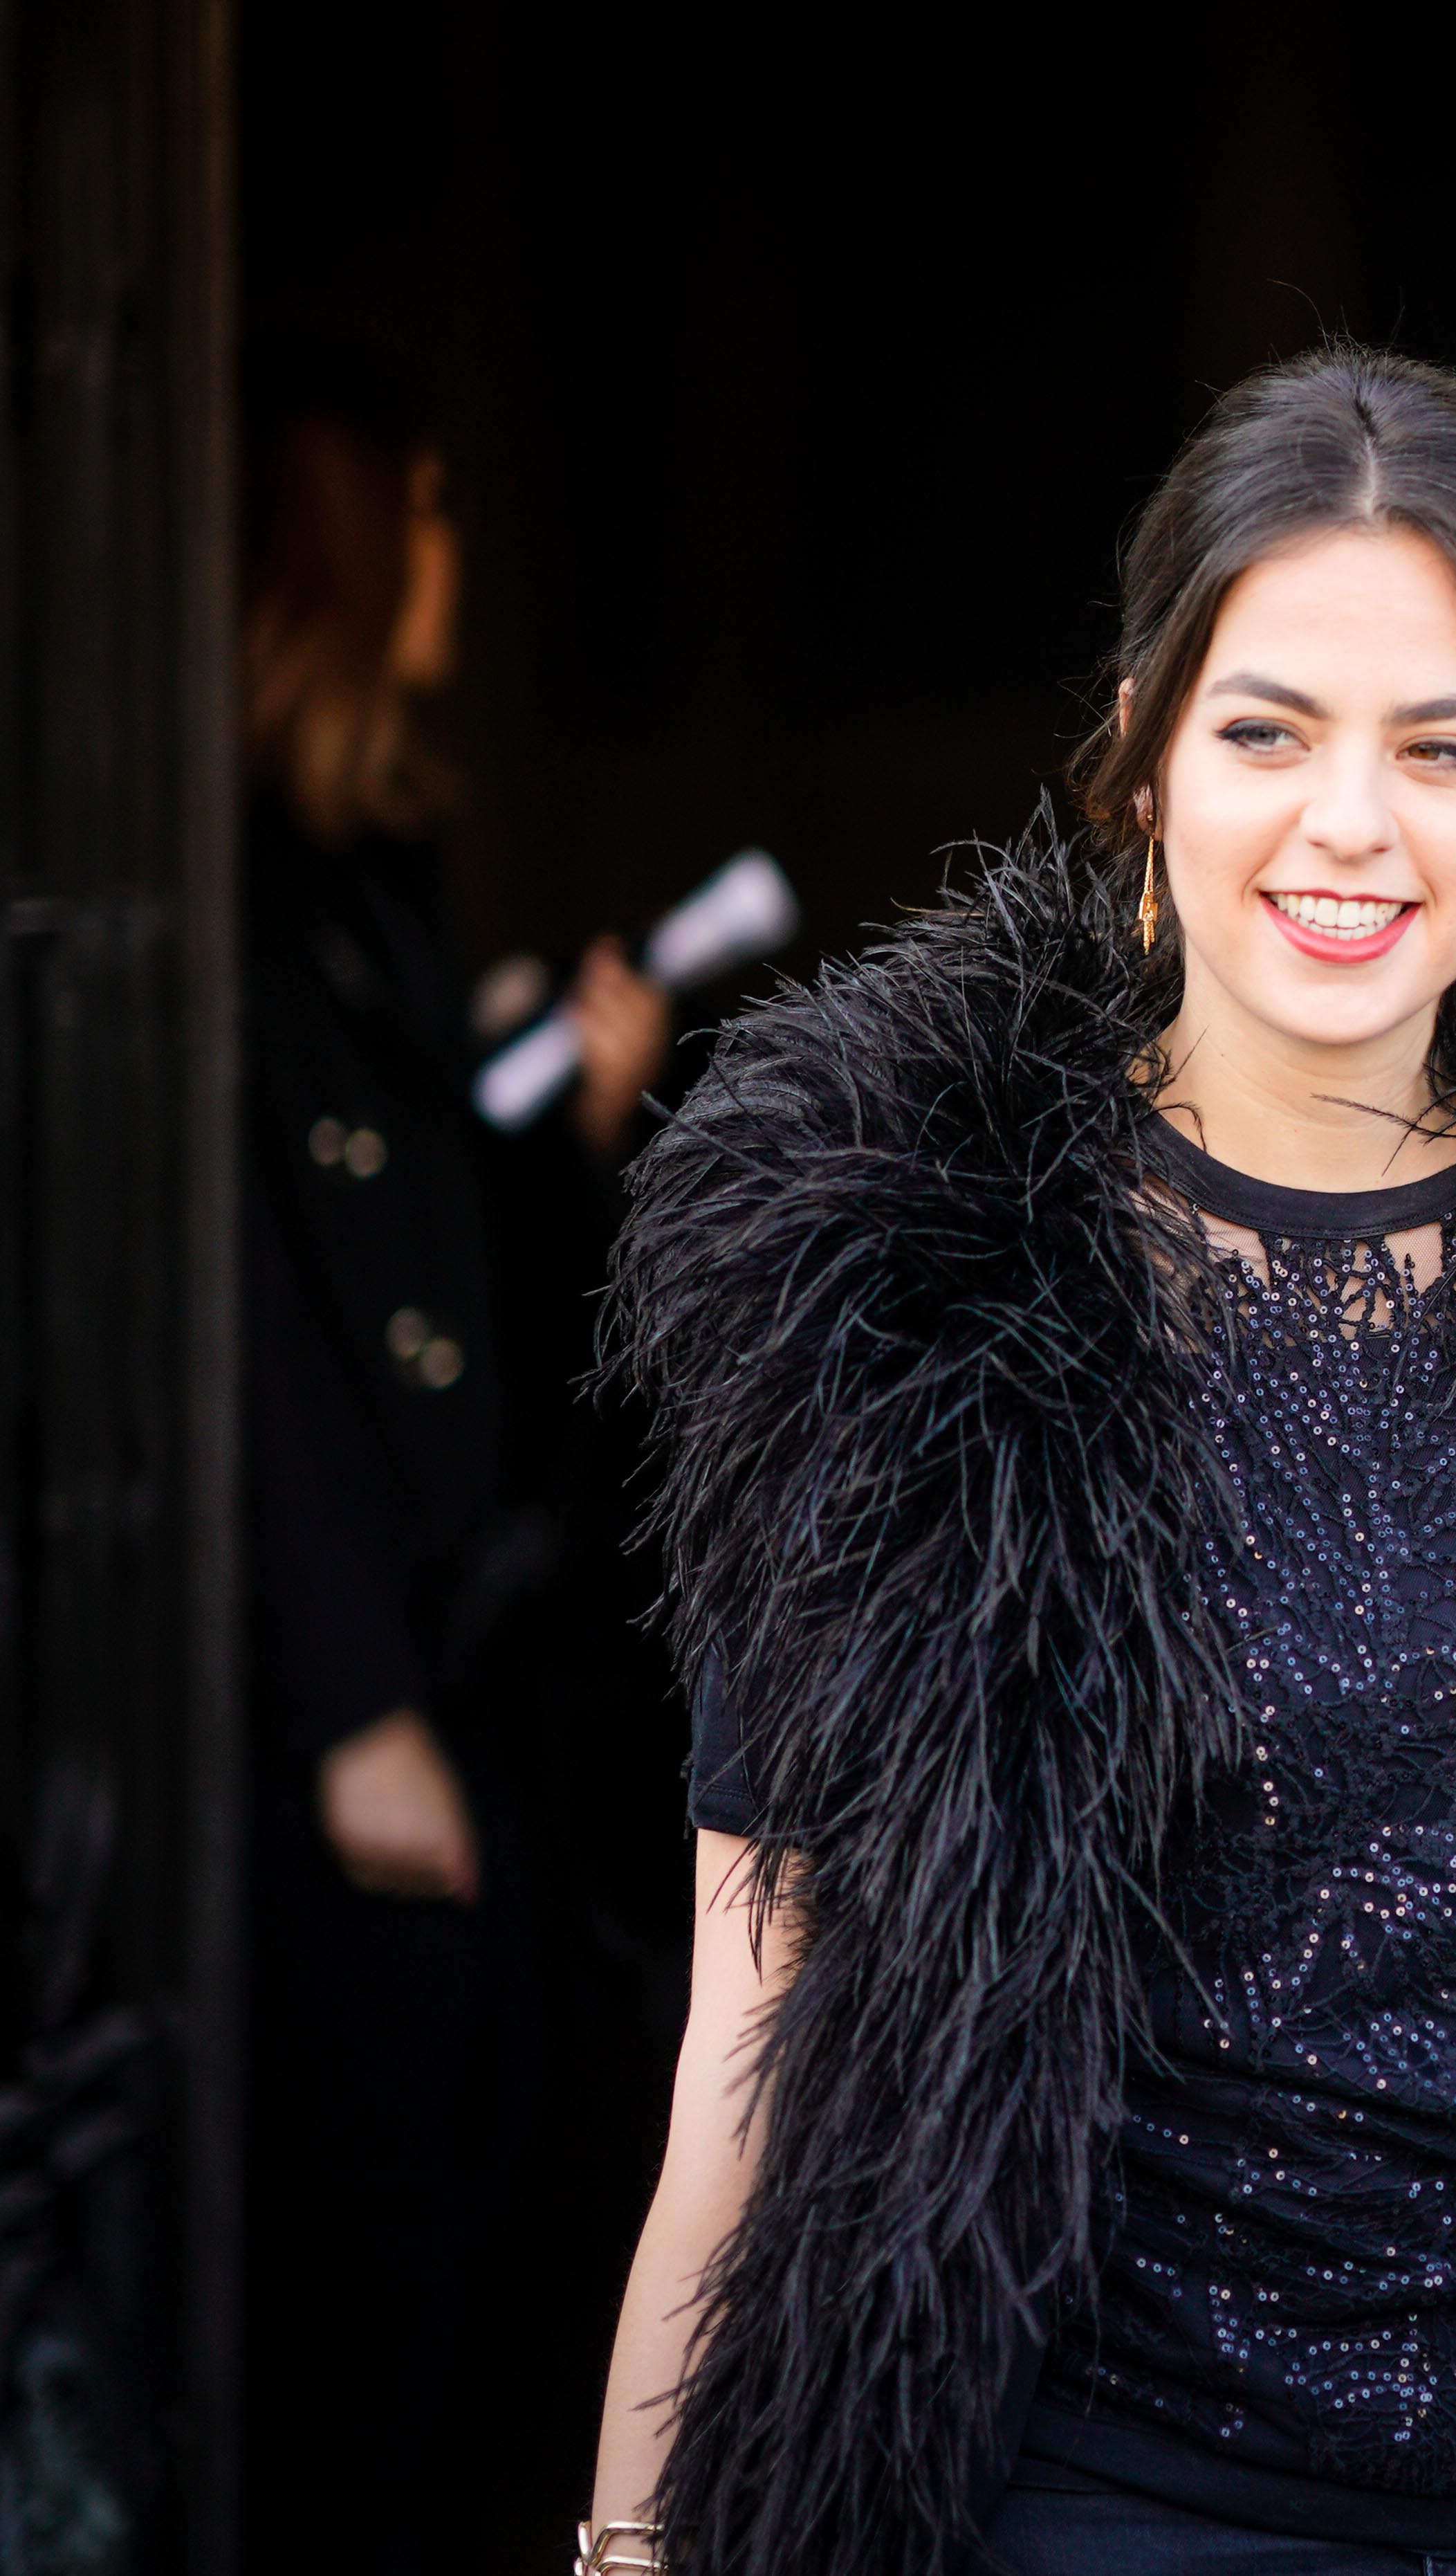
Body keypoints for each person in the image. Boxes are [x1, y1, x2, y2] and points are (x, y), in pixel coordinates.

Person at [584, 348, 1456, 2576]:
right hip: (1124, 2494)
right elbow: (761, 1995)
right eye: (1269, 729)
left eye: (1441, 748)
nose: (1350, 824)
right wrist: (635, 2534)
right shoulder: (907, 1290)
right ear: (1139, 762)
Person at [237, 342, 675, 2575]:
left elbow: (464, 1294)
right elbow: (232, 1338)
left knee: (493, 2221)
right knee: (359, 2288)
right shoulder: (210, 902)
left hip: (475, 1642)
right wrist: (344, 1708)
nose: (452, 546)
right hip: (342, 1704)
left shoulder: (380, 869)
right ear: (322, 533)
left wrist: (565, 1117)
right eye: (417, 499)